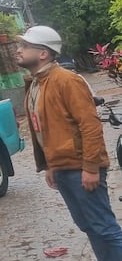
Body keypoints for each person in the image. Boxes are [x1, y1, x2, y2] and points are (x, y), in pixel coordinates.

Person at [19, 25, 122, 261]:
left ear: (43, 53)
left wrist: (91, 167)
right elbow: (46, 129)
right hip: (64, 169)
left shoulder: (66, 81)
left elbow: (90, 125)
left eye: (25, 46)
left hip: (82, 168)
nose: (18, 50)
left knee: (104, 228)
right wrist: (50, 165)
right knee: (88, 226)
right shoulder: (36, 84)